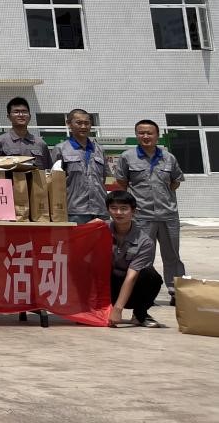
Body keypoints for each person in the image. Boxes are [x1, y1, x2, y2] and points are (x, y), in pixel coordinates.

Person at [114, 119, 186, 302]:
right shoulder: (127, 157)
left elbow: (176, 181)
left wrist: (164, 197)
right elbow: (122, 182)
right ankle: (144, 293)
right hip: (142, 216)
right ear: (136, 135)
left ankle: (176, 292)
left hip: (168, 215)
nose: (145, 136)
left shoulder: (168, 157)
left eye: (150, 133)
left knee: (172, 255)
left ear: (157, 135)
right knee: (142, 255)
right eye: (141, 133)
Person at [106, 190, 165, 328]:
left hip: (129, 289)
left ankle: (139, 315)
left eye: (124, 208)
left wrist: (118, 309)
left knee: (151, 276)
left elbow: (131, 277)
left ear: (134, 211)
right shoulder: (101, 229)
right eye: (114, 208)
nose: (118, 212)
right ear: (107, 210)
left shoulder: (144, 242)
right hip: (105, 285)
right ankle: (95, 309)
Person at [52, 108, 109, 224]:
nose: (83, 126)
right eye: (79, 123)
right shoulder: (60, 149)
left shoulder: (99, 150)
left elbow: (103, 178)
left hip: (100, 209)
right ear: (69, 124)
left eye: (87, 123)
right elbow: (54, 182)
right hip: (74, 211)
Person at [0, 96, 51, 169]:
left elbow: (48, 170)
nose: (21, 115)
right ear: (9, 117)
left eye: (24, 112)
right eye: (16, 112)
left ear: (30, 116)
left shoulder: (40, 144)